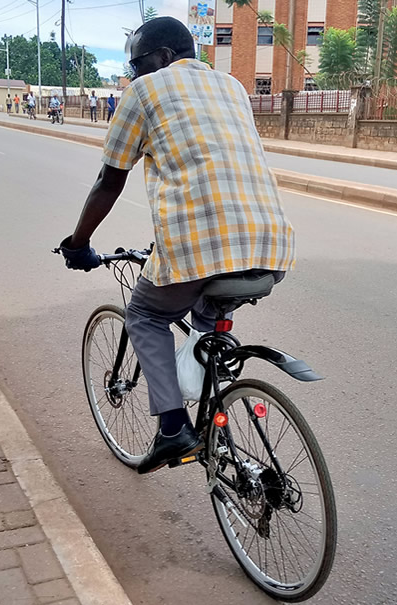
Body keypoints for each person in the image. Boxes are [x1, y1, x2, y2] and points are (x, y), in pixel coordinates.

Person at [57, 17, 295, 474]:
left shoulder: (143, 93)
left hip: (197, 248)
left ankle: (173, 430)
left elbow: (110, 179)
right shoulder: (232, 87)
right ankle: (212, 399)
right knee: (204, 315)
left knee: (145, 315)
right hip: (269, 247)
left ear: (164, 57)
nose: (133, 75)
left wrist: (79, 242)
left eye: (136, 64)